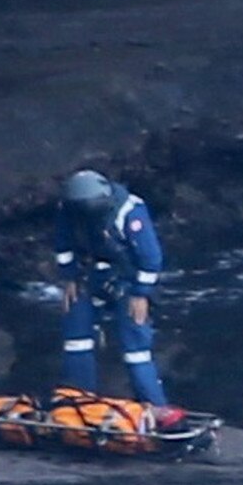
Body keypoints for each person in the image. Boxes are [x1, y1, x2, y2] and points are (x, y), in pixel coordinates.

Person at [53, 169, 185, 426]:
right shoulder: (67, 210)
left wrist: (141, 293)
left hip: (127, 279)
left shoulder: (130, 211)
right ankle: (79, 403)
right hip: (88, 274)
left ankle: (155, 408)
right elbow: (63, 244)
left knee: (135, 346)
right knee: (76, 337)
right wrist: (69, 277)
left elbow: (150, 258)